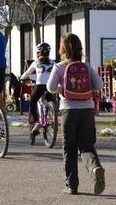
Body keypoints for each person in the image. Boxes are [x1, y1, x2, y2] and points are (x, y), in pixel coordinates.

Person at [47, 33, 105, 195]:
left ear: (63, 49)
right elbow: (99, 84)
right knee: (87, 145)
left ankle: (72, 186)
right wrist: (86, 89)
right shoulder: (86, 66)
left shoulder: (59, 66)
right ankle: (95, 168)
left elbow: (50, 87)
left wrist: (61, 89)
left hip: (68, 111)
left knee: (69, 149)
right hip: (87, 110)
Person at [20, 43, 55, 143]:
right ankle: (51, 117)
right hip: (50, 86)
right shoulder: (52, 62)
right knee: (50, 101)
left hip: (39, 85)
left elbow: (27, 73)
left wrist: (21, 78)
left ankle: (37, 122)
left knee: (32, 102)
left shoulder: (36, 62)